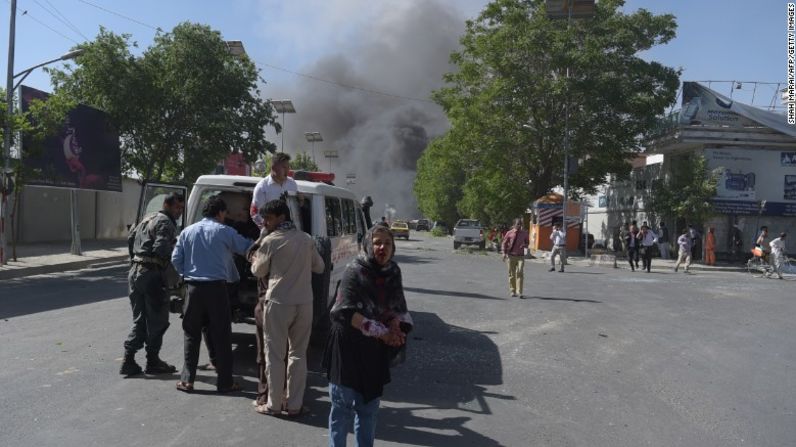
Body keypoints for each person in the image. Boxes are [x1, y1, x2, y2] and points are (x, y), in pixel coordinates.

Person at [323, 225, 412, 447]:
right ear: (368, 245)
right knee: (342, 408)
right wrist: (382, 333)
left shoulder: (393, 272)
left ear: (393, 247)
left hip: (374, 351)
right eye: (377, 242)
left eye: (387, 243)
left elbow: (397, 307)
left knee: (368, 409)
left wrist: (396, 327)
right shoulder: (355, 270)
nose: (382, 247)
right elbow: (345, 312)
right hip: (348, 346)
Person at [250, 200, 325, 417]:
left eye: (269, 218)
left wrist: (256, 258)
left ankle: (273, 405)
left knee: (274, 355)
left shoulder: (271, 241)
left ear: (282, 217)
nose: (265, 222)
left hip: (279, 304)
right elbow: (319, 267)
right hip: (304, 303)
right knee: (298, 355)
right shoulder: (306, 239)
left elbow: (258, 271)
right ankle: (294, 405)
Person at [172, 196, 253, 393]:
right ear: (219, 213)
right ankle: (225, 382)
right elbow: (246, 247)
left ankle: (187, 380)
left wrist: (187, 273)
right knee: (222, 335)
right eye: (225, 213)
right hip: (217, 290)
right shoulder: (225, 231)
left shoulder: (187, 231)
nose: (226, 217)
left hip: (193, 289)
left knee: (191, 334)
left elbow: (176, 258)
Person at [120, 193, 185, 376]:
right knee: (158, 320)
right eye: (176, 208)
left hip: (135, 273)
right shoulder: (166, 222)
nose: (179, 212)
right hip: (152, 275)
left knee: (140, 319)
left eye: (181, 208)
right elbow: (162, 249)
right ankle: (152, 360)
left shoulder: (146, 219)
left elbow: (130, 240)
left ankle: (129, 358)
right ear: (166, 204)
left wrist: (136, 261)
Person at [250, 152, 298, 229]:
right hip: (271, 233)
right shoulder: (262, 187)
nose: (287, 170)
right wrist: (267, 229)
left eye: (288, 167)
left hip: (290, 231)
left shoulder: (292, 183)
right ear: (273, 167)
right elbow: (255, 213)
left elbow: (295, 209)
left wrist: (301, 202)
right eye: (284, 167)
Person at [501, 218, 529, 298]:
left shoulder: (524, 233)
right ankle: (512, 291)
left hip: (520, 256)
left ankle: (519, 292)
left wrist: (525, 245)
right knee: (511, 274)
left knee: (520, 272)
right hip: (511, 256)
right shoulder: (509, 233)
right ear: (514, 225)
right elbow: (504, 243)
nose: (519, 226)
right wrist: (503, 253)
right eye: (518, 224)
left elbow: (527, 242)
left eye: (520, 224)